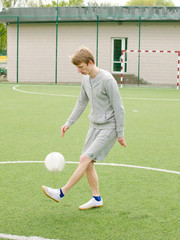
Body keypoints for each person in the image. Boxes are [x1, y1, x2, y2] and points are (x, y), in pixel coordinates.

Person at [42, 46, 126, 210]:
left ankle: (60, 193)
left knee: (84, 159)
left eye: (81, 67)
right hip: (94, 127)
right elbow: (81, 103)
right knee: (88, 163)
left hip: (109, 128)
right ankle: (96, 199)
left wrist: (120, 134)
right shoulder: (86, 80)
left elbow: (119, 108)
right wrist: (68, 123)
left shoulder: (107, 80)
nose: (79, 71)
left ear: (90, 62)